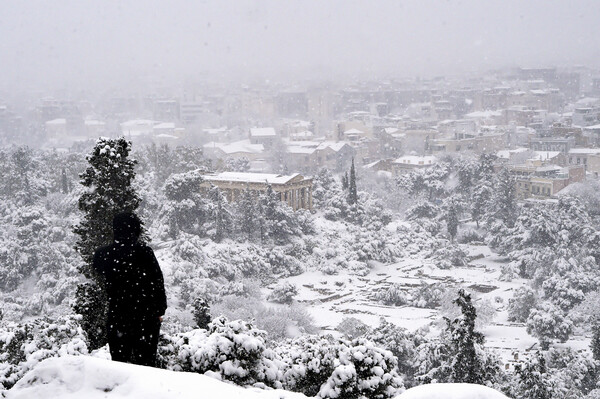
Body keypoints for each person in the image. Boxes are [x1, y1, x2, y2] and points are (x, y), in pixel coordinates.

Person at [93, 212, 167, 366]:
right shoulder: (145, 253)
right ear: (136, 230)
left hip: (118, 316)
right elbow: (158, 284)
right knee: (147, 367)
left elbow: (98, 271)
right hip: (146, 318)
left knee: (120, 368)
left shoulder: (103, 255)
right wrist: (159, 311)